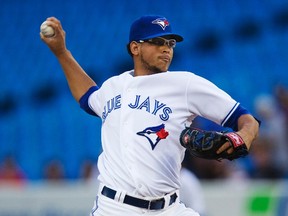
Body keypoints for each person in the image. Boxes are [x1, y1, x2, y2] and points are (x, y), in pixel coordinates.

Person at [40, 15, 260, 216]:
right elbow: (87, 98)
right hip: (114, 208)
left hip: (169, 209)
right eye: (157, 42)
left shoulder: (184, 84)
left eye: (170, 43)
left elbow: (244, 118)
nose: (166, 49)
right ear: (135, 47)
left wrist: (243, 137)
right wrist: (61, 52)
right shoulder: (113, 86)